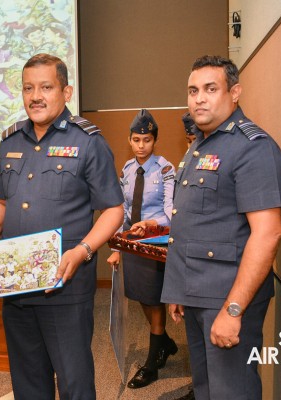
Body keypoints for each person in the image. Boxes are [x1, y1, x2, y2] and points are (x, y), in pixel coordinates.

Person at [0, 53, 124, 400]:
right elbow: (1, 202)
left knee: (74, 383)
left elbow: (114, 210)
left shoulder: (88, 142)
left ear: (66, 92)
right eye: (28, 88)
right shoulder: (10, 141)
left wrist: (83, 251)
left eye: (46, 87)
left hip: (64, 287)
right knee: (27, 384)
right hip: (15, 285)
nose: (35, 96)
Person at [161, 55, 281, 400]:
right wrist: (180, 291)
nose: (199, 99)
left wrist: (234, 310)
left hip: (228, 297)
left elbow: (268, 234)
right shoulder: (201, 144)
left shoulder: (252, 148)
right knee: (205, 390)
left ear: (235, 93)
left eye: (210, 89)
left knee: (232, 392)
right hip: (197, 294)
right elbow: (194, 223)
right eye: (193, 91)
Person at [106, 109, 178, 389]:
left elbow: (171, 211)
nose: (141, 145)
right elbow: (123, 210)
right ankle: (164, 342)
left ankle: (152, 363)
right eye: (136, 140)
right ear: (130, 140)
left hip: (154, 242)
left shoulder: (165, 169)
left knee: (153, 299)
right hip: (131, 243)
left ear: (154, 141)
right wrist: (117, 246)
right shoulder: (126, 169)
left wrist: (150, 224)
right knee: (141, 297)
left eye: (146, 140)